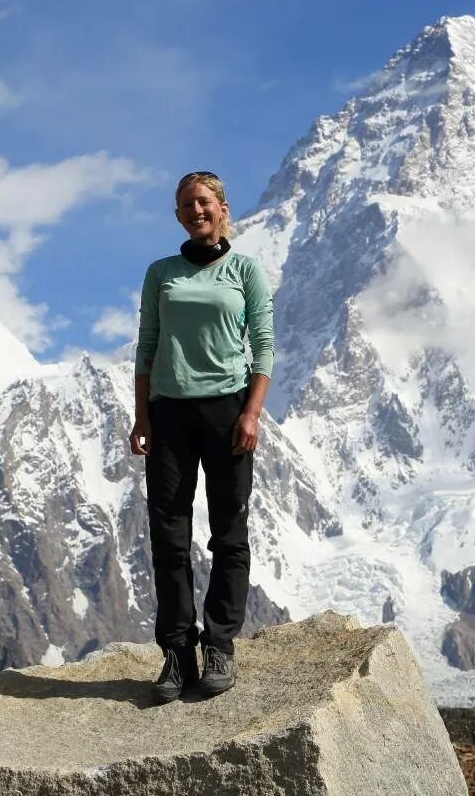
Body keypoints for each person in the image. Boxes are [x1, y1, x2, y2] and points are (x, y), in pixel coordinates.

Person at [129, 170, 274, 704]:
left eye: (205, 202)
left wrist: (252, 413)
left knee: (229, 535)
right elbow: (147, 345)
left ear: (222, 208)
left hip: (228, 413)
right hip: (168, 413)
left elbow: (264, 346)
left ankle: (219, 647)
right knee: (169, 539)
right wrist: (141, 416)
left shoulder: (244, 271)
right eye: (188, 204)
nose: (197, 211)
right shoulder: (160, 273)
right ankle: (176, 653)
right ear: (178, 215)